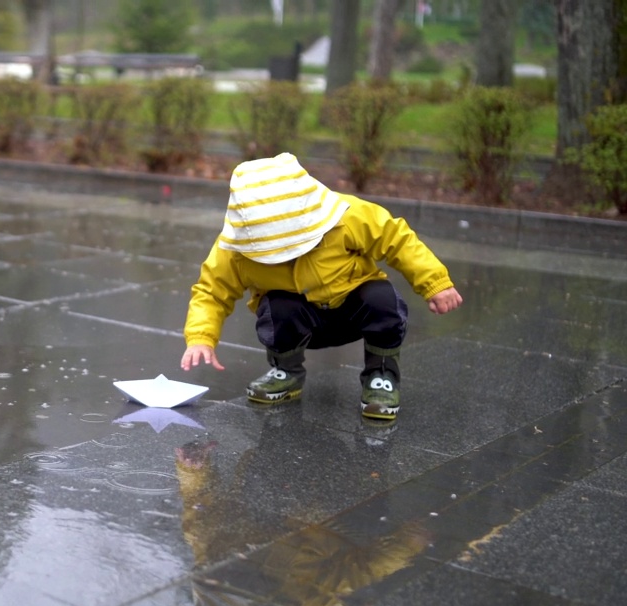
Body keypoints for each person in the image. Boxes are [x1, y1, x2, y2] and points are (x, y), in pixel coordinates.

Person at [180, 153, 463, 420]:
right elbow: (211, 291)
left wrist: (435, 283)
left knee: (382, 299)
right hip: (300, 324)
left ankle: (382, 374)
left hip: (354, 310)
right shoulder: (236, 249)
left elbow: (397, 238)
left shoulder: (345, 216)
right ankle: (286, 371)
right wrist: (201, 336)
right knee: (276, 306)